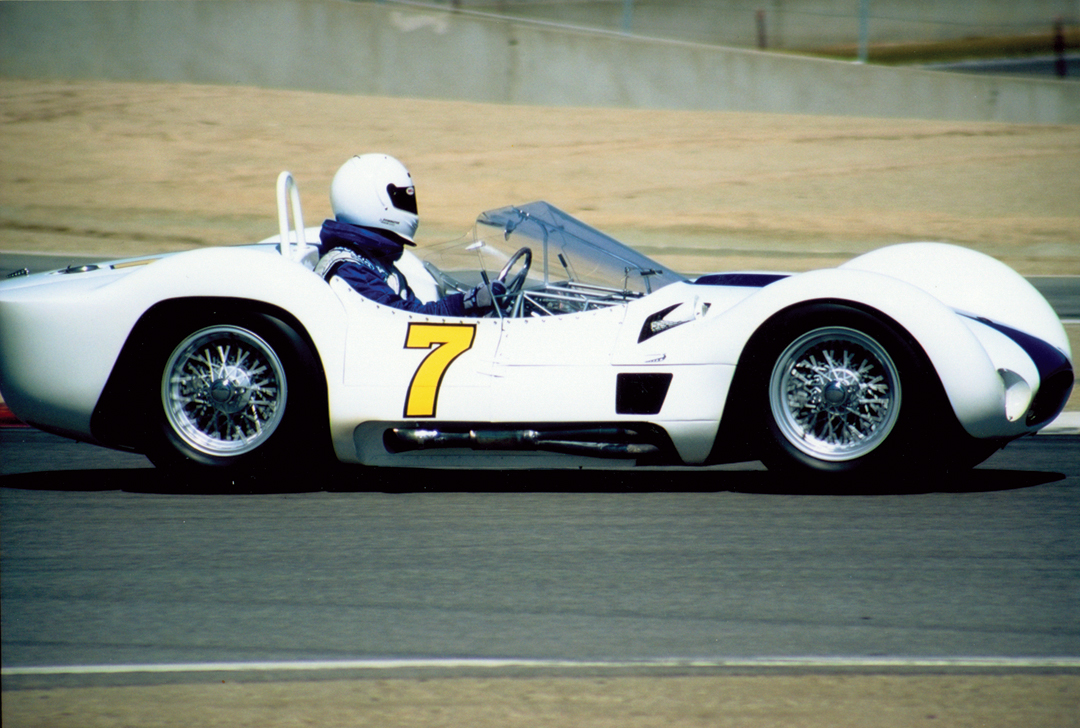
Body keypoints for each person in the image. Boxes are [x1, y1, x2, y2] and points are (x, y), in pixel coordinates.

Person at [314, 154, 502, 316]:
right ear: (369, 200)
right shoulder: (348, 268)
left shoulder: (373, 262)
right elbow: (403, 318)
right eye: (402, 198)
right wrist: (466, 303)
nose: (409, 207)